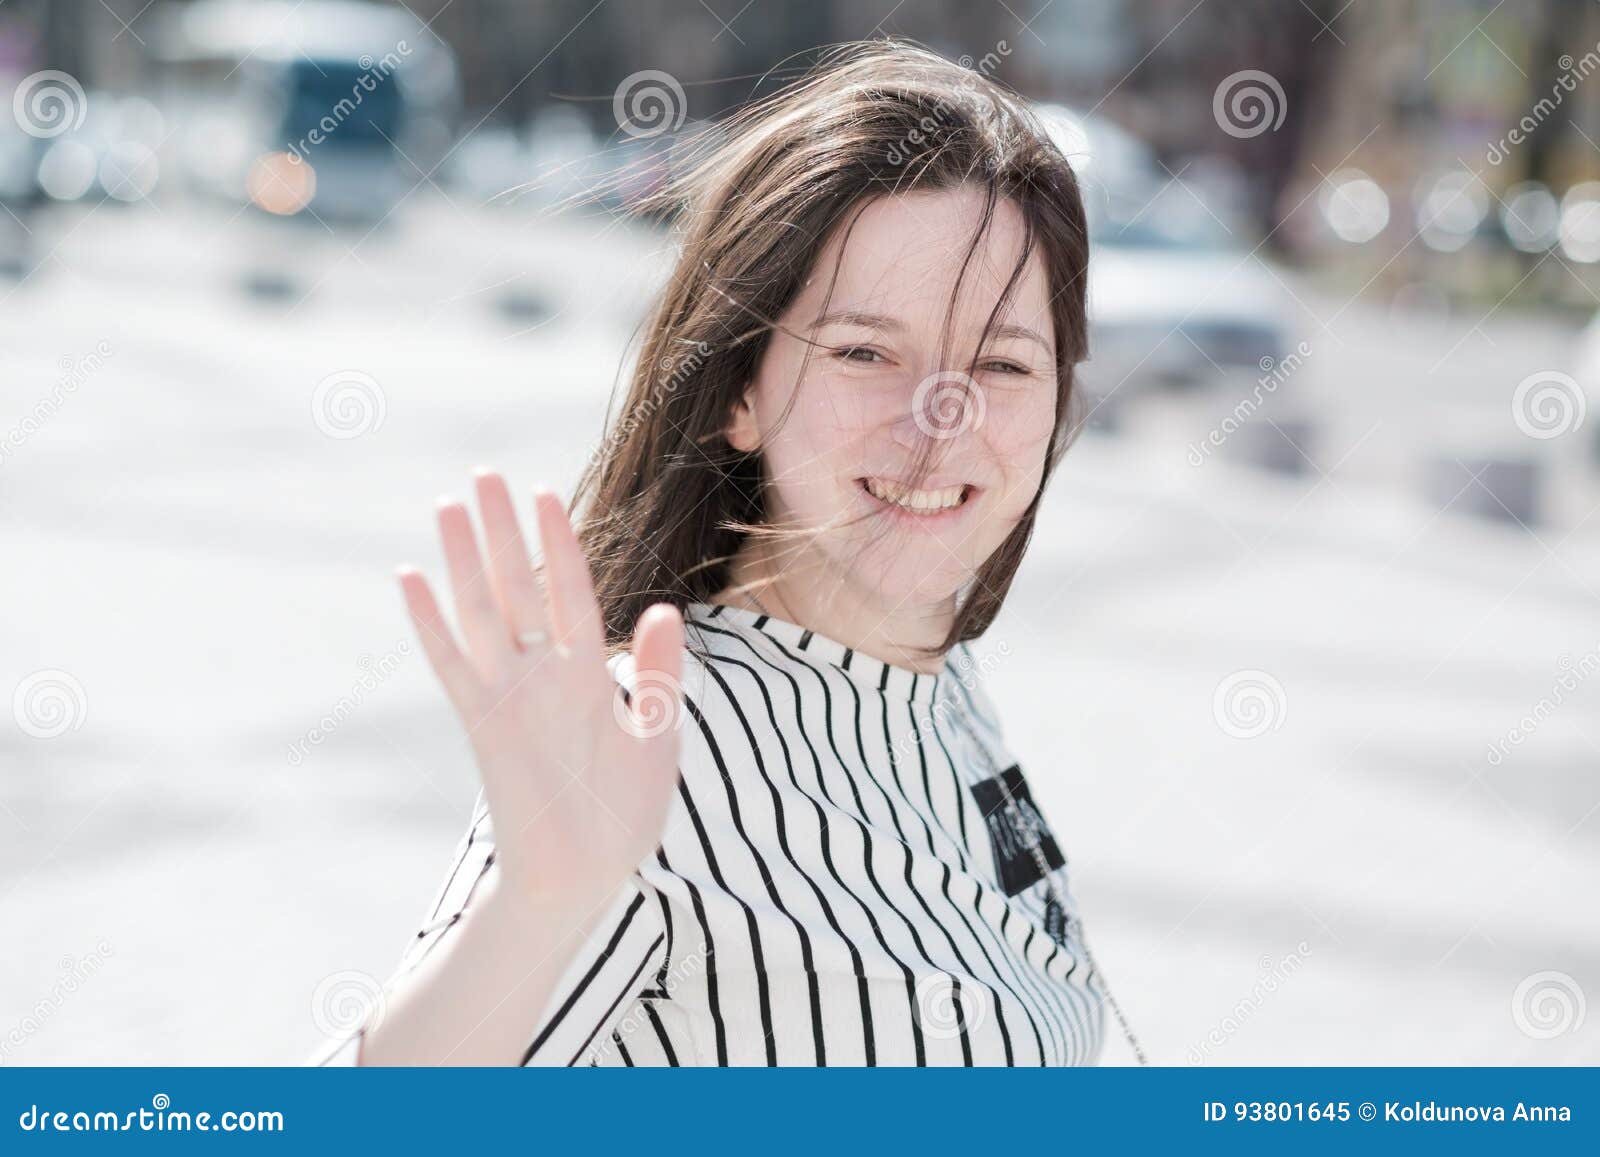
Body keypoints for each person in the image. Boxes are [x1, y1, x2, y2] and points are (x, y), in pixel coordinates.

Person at [311, 38, 1140, 1067]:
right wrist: (531, 909)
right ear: (740, 390)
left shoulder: (943, 678)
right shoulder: (650, 748)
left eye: (1003, 362)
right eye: (864, 351)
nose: (940, 416)